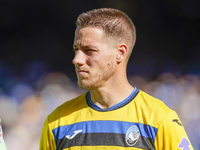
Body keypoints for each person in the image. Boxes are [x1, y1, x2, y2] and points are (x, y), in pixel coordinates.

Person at [39, 8, 193, 150]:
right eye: (76, 50)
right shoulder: (57, 123)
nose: (76, 59)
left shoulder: (159, 120)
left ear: (120, 52)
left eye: (89, 50)